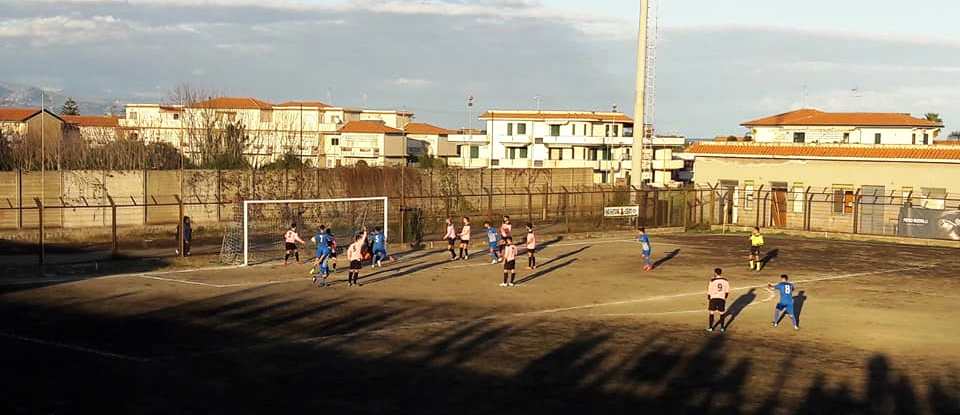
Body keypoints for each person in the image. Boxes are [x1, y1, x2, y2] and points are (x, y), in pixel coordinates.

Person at [706, 268, 731, 333]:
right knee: (722, 313)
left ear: (715, 273)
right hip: (721, 298)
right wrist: (724, 298)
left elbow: (709, 290)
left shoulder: (712, 280)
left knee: (711, 312)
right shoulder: (725, 280)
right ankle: (722, 328)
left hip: (713, 298)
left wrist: (709, 297)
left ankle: (711, 327)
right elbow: (727, 291)